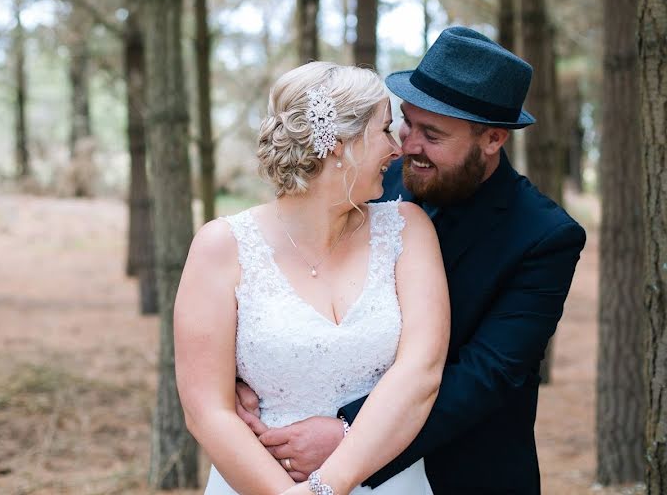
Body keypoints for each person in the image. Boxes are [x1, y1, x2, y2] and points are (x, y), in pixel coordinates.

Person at [236, 27, 587, 494]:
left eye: (432, 134)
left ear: (493, 139)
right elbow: (293, 272)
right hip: (302, 462)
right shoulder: (369, 178)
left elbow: (488, 373)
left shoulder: (545, 236)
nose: (406, 146)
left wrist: (348, 433)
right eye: (405, 122)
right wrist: (252, 371)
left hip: (464, 471)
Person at [174, 61, 451, 495]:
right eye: (383, 130)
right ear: (340, 144)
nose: (396, 149)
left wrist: (326, 487)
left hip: (387, 481)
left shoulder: (407, 228)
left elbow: (421, 372)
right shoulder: (221, 247)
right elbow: (207, 411)